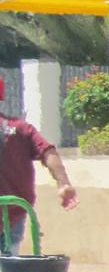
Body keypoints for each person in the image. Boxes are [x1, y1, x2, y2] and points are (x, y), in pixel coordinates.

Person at [1, 77, 77, 254]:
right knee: (8, 268)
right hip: (13, 211)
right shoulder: (20, 128)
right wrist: (63, 183)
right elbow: (48, 152)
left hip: (13, 211)